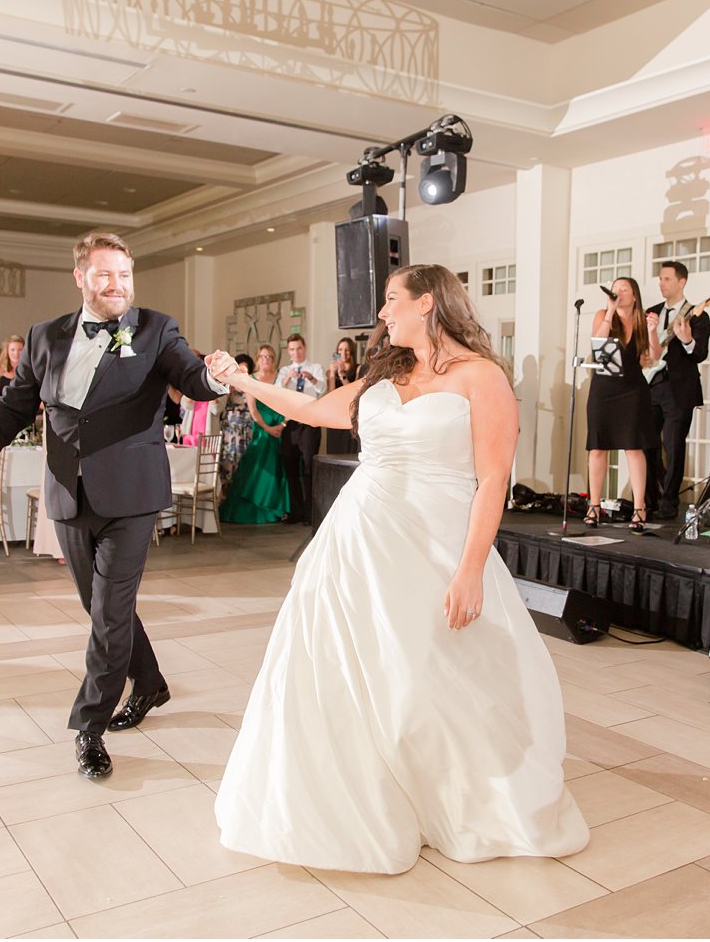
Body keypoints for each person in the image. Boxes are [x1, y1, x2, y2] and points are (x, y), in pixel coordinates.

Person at [208, 263, 589, 874]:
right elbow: (309, 408)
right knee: (346, 668)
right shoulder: (383, 373)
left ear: (428, 302)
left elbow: (493, 479)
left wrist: (469, 570)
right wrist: (244, 382)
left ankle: (447, 794)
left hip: (436, 544)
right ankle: (361, 797)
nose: (382, 314)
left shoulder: (482, 378)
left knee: (430, 675)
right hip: (358, 538)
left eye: (391, 301)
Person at [0, 232, 227, 781]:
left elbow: (191, 377)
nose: (117, 285)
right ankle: (149, 682)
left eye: (124, 275)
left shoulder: (155, 328)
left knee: (108, 614)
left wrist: (215, 376)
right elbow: (15, 403)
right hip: (67, 490)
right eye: (104, 274)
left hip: (131, 494)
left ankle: (89, 727)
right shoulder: (44, 336)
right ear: (80, 276)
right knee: (101, 608)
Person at [584, 276, 655, 532]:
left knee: (634, 448)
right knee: (598, 447)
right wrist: (610, 312)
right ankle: (594, 506)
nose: (619, 293)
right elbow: (597, 343)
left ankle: (639, 508)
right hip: (604, 388)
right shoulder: (604, 314)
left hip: (632, 390)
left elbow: (653, 356)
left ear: (634, 295)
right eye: (615, 290)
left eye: (624, 289)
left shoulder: (643, 319)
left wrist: (652, 331)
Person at [645, 261, 710, 521]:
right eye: (660, 279)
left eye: (667, 279)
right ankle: (649, 499)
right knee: (647, 445)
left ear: (682, 282)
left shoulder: (697, 315)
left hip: (679, 389)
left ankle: (670, 502)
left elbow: (701, 353)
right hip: (651, 385)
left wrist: (687, 341)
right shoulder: (651, 312)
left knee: (673, 445)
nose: (662, 283)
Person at [219, 345, 290, 524]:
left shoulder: (280, 377)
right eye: (263, 356)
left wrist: (281, 425)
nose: (266, 360)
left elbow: (287, 401)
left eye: (269, 357)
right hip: (262, 429)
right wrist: (267, 428)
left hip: (280, 426)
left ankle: (274, 506)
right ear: (257, 359)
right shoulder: (251, 379)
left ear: (274, 360)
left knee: (277, 468)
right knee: (258, 466)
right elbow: (253, 409)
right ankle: (256, 504)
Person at [275, 333, 325, 523]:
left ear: (305, 348)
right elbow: (278, 392)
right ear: (288, 351)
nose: (296, 352)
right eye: (293, 349)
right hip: (291, 424)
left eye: (299, 348)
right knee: (290, 468)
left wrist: (311, 379)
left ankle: (310, 513)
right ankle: (295, 511)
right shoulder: (284, 371)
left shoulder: (315, 368)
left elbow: (323, 390)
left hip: (309, 423)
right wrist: (287, 379)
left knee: (309, 468)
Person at [217, 352, 257, 490]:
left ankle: (238, 494)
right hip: (229, 427)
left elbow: (253, 409)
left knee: (241, 458)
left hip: (244, 427)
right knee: (226, 459)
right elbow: (221, 406)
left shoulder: (250, 384)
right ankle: (225, 495)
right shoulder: (229, 385)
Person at [325, 336, 361, 455]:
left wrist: (342, 375)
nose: (343, 353)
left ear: (351, 352)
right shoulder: (331, 372)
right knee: (335, 449)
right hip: (335, 414)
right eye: (340, 350)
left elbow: (354, 391)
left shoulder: (358, 368)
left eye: (346, 350)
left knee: (349, 449)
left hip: (350, 414)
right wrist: (332, 375)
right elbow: (331, 394)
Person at [0, 334, 22, 403]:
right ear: (7, 351)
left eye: (20, 350)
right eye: (12, 350)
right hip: (3, 411)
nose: (16, 353)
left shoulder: (29, 370)